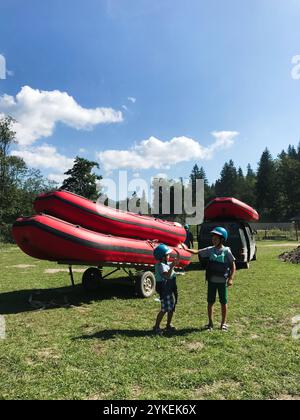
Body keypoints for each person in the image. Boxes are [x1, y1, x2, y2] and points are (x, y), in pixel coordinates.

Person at [188, 227, 236, 332]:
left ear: (222, 239)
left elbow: (233, 266)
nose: (213, 240)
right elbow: (197, 252)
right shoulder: (210, 249)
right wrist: (185, 249)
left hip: (222, 282)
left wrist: (231, 279)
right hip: (211, 282)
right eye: (213, 238)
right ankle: (210, 323)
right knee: (210, 302)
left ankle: (223, 323)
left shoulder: (227, 250)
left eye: (216, 239)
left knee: (223, 302)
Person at [153, 244, 180, 335]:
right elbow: (167, 276)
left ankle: (168, 325)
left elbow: (172, 266)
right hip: (164, 290)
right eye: (167, 255)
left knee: (171, 308)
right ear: (162, 257)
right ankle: (156, 326)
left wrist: (177, 257)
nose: (169, 256)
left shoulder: (165, 263)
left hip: (170, 288)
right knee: (164, 309)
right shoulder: (160, 265)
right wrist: (172, 265)